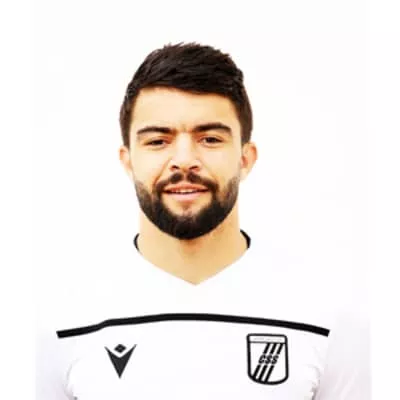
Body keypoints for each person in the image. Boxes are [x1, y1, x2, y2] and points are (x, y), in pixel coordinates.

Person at [36, 42, 370, 399]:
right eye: (158, 141)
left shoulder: (328, 319)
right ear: (128, 160)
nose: (184, 160)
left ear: (245, 159)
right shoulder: (60, 323)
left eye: (209, 139)